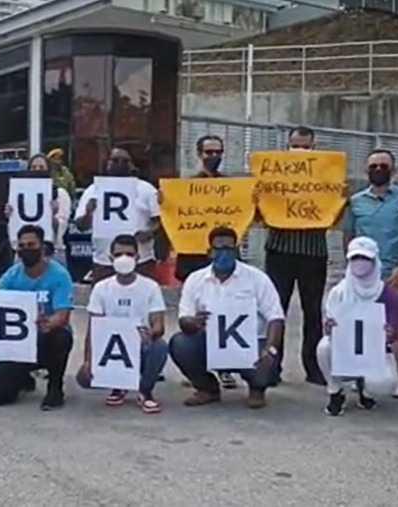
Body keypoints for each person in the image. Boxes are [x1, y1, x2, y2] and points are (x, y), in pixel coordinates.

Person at [169, 227, 285, 409]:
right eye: (219, 249)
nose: (224, 253)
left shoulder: (257, 278)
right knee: (180, 343)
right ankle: (207, 388)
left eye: (229, 249)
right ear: (209, 252)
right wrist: (193, 323)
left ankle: (257, 389)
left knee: (269, 359)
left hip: (251, 343)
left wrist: (270, 349)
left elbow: (276, 317)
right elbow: (184, 319)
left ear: (237, 250)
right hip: (210, 342)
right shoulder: (195, 279)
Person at [343, 149, 398, 397]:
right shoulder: (356, 202)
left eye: (383, 166)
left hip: (392, 274)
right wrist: (352, 270)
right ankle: (361, 373)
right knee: (360, 324)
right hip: (363, 276)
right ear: (366, 171)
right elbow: (349, 237)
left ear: (393, 170)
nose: (378, 170)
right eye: (373, 166)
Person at [263, 126, 328, 386]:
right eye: (295, 145)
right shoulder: (274, 173)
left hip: (313, 252)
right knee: (276, 310)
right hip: (280, 250)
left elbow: (335, 208)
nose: (299, 150)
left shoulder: (325, 173)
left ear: (314, 146)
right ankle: (272, 365)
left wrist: (339, 196)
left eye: (305, 145)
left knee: (313, 312)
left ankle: (313, 367)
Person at [0, 225, 74, 410]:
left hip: (46, 337)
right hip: (17, 341)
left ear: (42, 246)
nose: (26, 249)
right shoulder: (11, 275)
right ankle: (23, 377)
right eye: (22, 245)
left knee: (61, 336)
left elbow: (63, 315)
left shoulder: (59, 275)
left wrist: (48, 323)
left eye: (31, 244)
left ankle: (55, 388)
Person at [76, 235, 168, 414]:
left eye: (129, 254)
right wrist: (88, 360)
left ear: (137, 258)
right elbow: (92, 327)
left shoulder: (150, 287)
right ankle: (118, 385)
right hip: (111, 350)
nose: (124, 258)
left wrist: (151, 333)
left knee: (160, 346)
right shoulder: (101, 288)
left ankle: (145, 390)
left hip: (142, 346)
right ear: (111, 259)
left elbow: (159, 323)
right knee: (83, 379)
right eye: (118, 254)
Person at [317, 237, 398, 416]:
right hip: (345, 348)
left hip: (376, 350)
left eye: (365, 258)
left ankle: (365, 390)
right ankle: (336, 391)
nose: (360, 263)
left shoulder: (388, 294)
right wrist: (329, 325)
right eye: (355, 258)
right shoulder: (339, 292)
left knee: (385, 384)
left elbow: (395, 329)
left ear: (375, 261)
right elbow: (329, 324)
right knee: (324, 347)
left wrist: (388, 332)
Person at [74, 147, 161, 282]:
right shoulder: (93, 190)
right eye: (115, 160)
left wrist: (148, 233)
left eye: (125, 161)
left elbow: (161, 221)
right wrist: (88, 212)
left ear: (132, 164)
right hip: (105, 261)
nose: (119, 164)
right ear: (107, 163)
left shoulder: (147, 189)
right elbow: (81, 226)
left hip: (140, 261)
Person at [174, 135, 226, 283]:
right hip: (192, 256)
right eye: (209, 152)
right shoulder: (185, 186)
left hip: (222, 253)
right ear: (199, 154)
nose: (214, 156)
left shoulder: (231, 185)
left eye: (218, 152)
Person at [3, 153, 72, 266]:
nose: (37, 171)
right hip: (24, 252)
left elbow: (60, 232)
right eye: (34, 167)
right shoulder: (19, 194)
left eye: (41, 168)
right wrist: (10, 215)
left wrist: (53, 215)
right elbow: (14, 231)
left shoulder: (60, 194)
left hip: (52, 254)